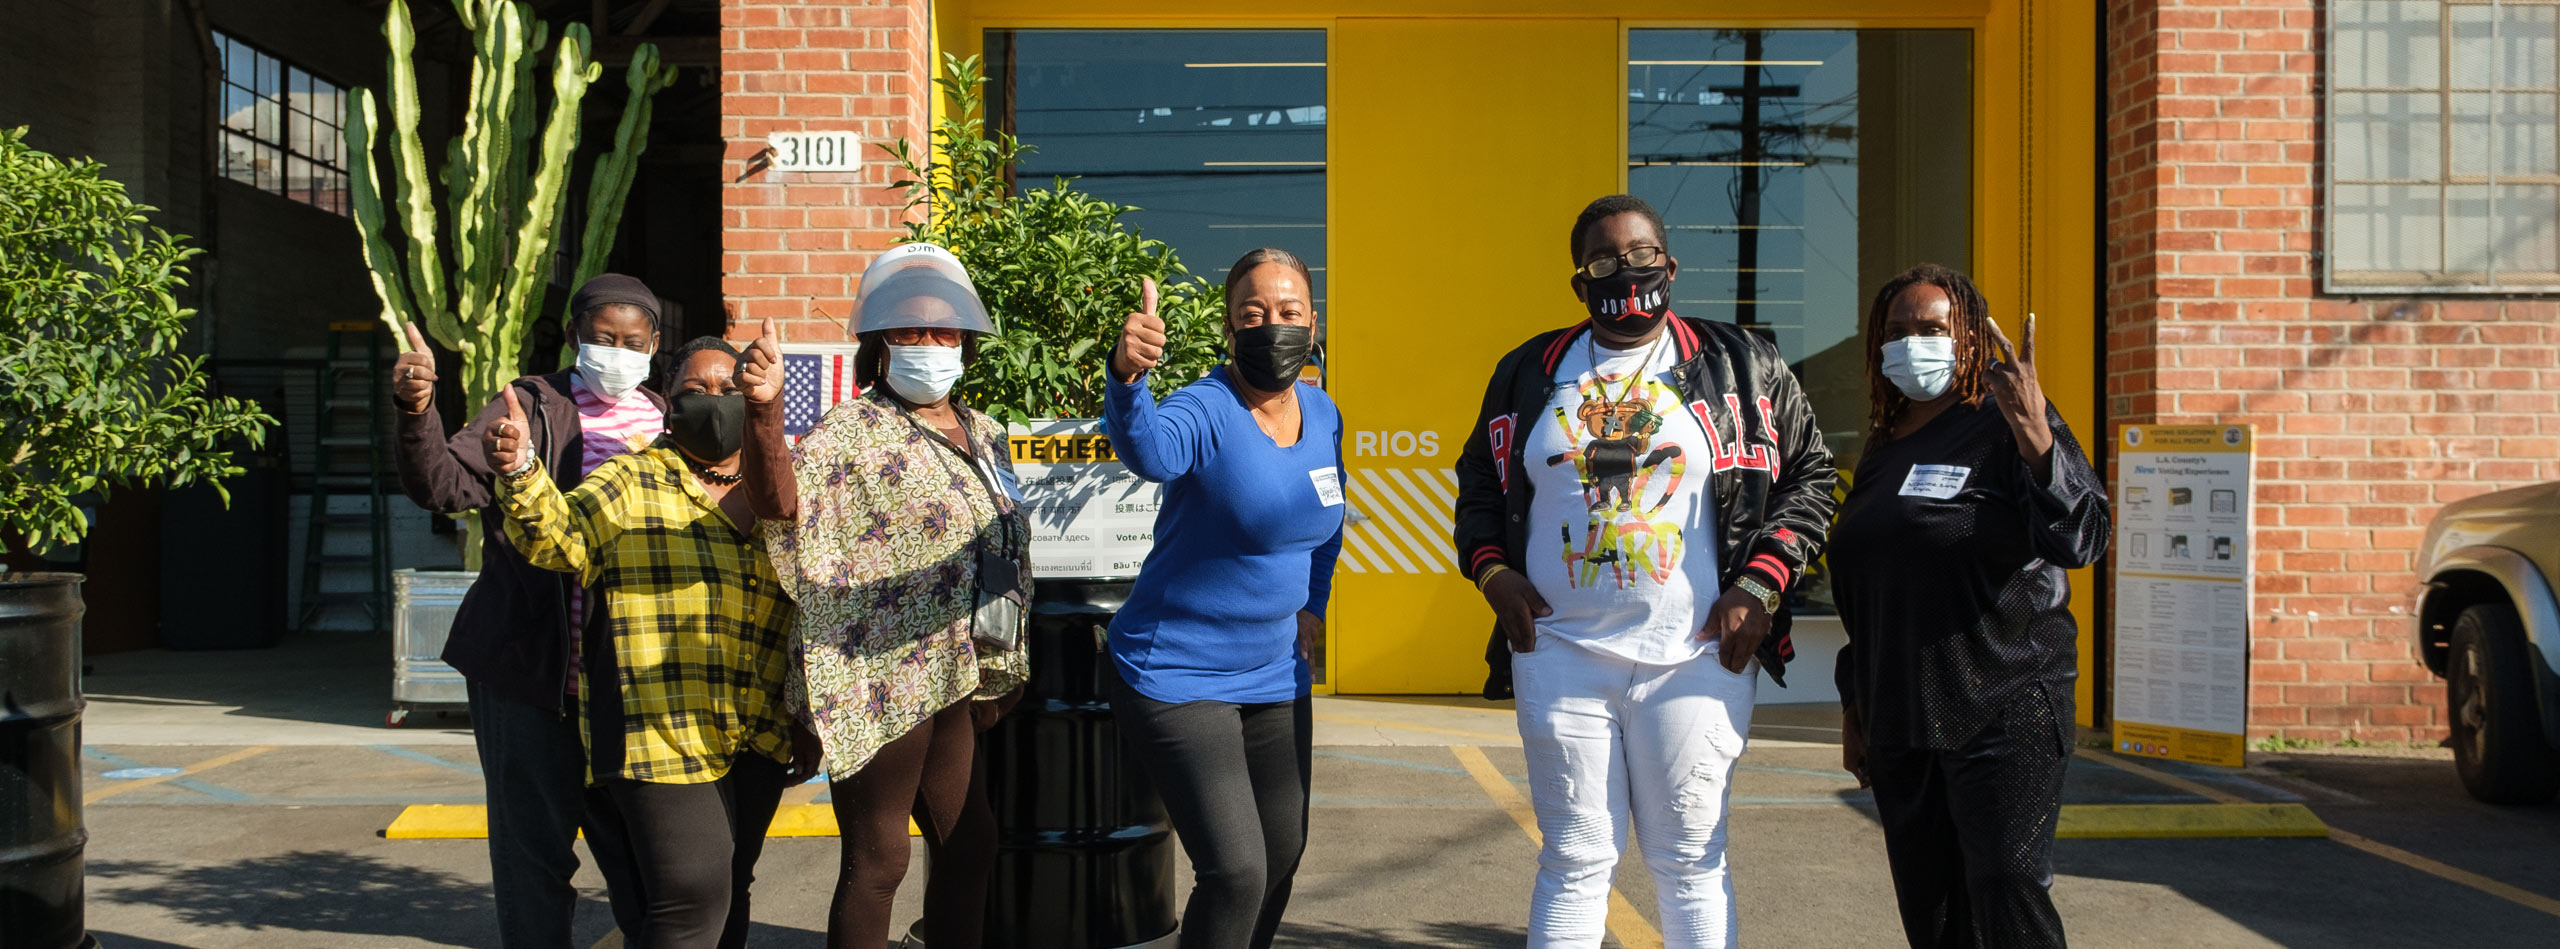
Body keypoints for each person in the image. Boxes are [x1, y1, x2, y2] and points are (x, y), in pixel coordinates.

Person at [1450, 194, 1837, 948]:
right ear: (1579, 282)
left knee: (1690, 859)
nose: (1626, 271)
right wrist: (1492, 571)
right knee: (1574, 857)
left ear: (1671, 263)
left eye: (1643, 255)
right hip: (1561, 654)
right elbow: (1477, 485)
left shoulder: (1741, 364)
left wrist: (1759, 583)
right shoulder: (1528, 371)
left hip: (1695, 655)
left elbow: (1811, 477)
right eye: (1604, 260)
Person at [740, 243, 1031, 949]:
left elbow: (1005, 548)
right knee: (880, 857)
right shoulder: (851, 429)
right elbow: (779, 504)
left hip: (955, 668)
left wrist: (1002, 661)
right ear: (879, 344)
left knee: (970, 841)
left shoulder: (984, 431)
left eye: (945, 332)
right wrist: (763, 413)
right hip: (876, 672)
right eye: (909, 332)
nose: (930, 346)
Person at [489, 334, 812, 949]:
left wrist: (808, 716)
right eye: (696, 390)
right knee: (692, 892)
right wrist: (522, 473)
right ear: (667, 401)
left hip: (758, 727)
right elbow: (559, 538)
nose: (715, 402)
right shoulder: (631, 479)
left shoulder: (781, 483)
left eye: (729, 389)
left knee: (732, 886)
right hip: (658, 727)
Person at [1830, 264, 2107, 949]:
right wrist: (1855, 703)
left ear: (1967, 339)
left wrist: (2036, 434)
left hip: (2004, 703)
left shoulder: (2004, 422)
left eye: (1930, 329)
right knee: (1933, 908)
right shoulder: (1883, 447)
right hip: (1901, 716)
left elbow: (2083, 535)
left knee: (2005, 888)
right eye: (1896, 331)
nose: (1910, 343)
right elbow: (1869, 588)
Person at [390, 273, 663, 947]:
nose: (617, 352)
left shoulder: (668, 416)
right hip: (529, 674)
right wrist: (416, 409)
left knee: (644, 856)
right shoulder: (530, 405)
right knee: (532, 854)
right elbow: (445, 486)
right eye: (603, 338)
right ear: (574, 338)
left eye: (633, 341)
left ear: (656, 344)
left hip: (632, 682)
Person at [1098, 247, 1342, 949]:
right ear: (1229, 331)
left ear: (1313, 322)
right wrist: (1127, 377)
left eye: (1290, 312)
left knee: (1282, 852)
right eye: (1253, 314)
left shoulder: (1323, 412)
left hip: (1275, 670)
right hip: (1177, 670)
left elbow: (1330, 518)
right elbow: (1150, 449)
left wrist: (1312, 605)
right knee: (1236, 870)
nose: (1274, 326)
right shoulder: (1208, 407)